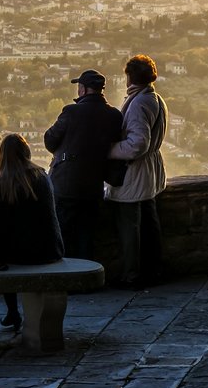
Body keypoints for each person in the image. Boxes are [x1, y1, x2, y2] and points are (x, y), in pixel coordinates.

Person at [44, 68, 123, 259]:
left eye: (79, 86)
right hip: (94, 184)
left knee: (63, 235)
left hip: (66, 184)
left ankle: (66, 278)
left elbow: (50, 140)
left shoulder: (71, 111)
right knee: (86, 236)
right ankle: (87, 279)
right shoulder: (114, 116)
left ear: (84, 90)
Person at [107, 54, 168, 289]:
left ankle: (131, 276)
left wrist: (110, 150)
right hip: (150, 173)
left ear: (130, 77)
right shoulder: (155, 98)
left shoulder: (139, 104)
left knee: (129, 227)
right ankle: (154, 270)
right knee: (150, 225)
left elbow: (138, 143)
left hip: (134, 175)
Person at [0, 133, 64, 332]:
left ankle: (12, 311)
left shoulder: (4, 183)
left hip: (20, 253)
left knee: (0, 255)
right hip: (51, 248)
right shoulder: (42, 175)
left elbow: (4, 226)